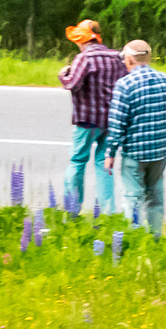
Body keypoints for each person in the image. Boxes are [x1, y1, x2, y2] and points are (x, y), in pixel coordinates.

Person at [101, 40, 166, 232]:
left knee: (132, 198)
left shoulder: (125, 85)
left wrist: (110, 153)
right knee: (155, 198)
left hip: (134, 153)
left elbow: (117, 123)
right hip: (160, 152)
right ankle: (155, 239)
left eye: (125, 58)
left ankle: (133, 241)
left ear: (130, 59)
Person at [58, 20, 125, 215]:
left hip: (86, 121)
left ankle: (72, 211)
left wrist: (63, 75)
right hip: (111, 121)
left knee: (78, 161)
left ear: (82, 39)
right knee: (104, 163)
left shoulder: (83, 58)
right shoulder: (116, 57)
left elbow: (72, 85)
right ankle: (108, 212)